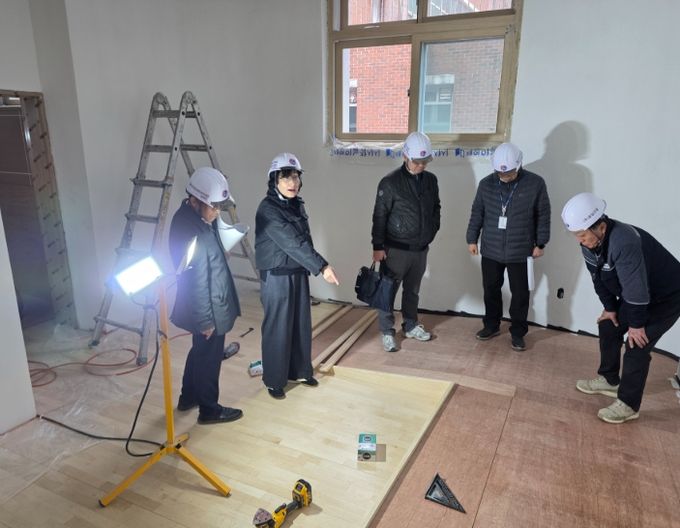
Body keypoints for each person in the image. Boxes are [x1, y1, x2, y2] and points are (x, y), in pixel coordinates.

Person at [562, 192, 680, 423]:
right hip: (639, 293)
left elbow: (636, 289)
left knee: (636, 344)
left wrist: (636, 325)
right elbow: (598, 278)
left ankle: (628, 404)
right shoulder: (590, 244)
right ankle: (610, 380)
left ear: (601, 227)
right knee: (608, 325)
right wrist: (610, 308)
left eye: (582, 235)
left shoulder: (624, 241)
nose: (580, 240)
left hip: (668, 295)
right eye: (576, 235)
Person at [255, 153, 340, 399]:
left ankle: (300, 371)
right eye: (286, 178)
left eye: (295, 177)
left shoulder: (296, 204)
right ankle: (274, 380)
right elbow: (291, 242)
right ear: (274, 180)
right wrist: (321, 266)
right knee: (278, 328)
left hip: (297, 271)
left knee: (300, 324)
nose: (292, 183)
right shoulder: (267, 209)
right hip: (276, 275)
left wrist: (311, 265)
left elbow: (305, 240)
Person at [168, 167, 243, 425]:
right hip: (207, 307)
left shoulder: (194, 218)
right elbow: (196, 283)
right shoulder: (191, 232)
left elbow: (206, 259)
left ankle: (188, 397)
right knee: (209, 359)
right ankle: (209, 410)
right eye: (214, 207)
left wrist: (220, 251)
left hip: (209, 302)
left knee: (200, 351)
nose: (217, 212)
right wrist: (206, 321)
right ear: (194, 200)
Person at [465, 142, 550, 351]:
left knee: (520, 295)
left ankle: (518, 332)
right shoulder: (486, 184)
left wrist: (541, 242)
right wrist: (471, 239)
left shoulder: (535, 183)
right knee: (490, 290)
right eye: (500, 173)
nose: (504, 176)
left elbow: (543, 214)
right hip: (491, 249)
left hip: (521, 250)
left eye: (509, 172)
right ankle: (491, 325)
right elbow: (477, 212)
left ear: (519, 165)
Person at [371, 132, 441, 352]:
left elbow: (436, 208)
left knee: (412, 291)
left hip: (420, 249)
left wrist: (431, 231)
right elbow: (380, 216)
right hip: (395, 249)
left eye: (425, 161)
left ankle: (410, 325)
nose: (421, 166)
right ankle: (387, 331)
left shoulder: (431, 180)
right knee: (388, 291)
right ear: (405, 156)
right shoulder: (390, 182)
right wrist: (377, 246)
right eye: (417, 161)